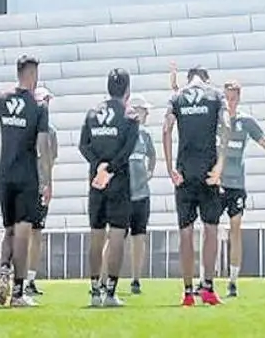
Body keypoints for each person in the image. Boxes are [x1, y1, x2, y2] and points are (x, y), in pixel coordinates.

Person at [0, 54, 50, 307]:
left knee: (9, 230)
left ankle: (4, 272)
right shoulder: (38, 106)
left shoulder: (1, 98)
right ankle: (18, 293)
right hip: (26, 174)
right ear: (32, 75)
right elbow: (42, 146)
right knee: (23, 232)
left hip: (4, 174)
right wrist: (46, 180)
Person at [162, 65, 230, 306]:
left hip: (185, 171)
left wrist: (170, 166)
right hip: (209, 171)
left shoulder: (177, 98)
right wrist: (221, 163)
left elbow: (166, 129)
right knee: (211, 228)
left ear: (188, 79)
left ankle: (188, 292)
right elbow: (226, 125)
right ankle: (208, 286)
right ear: (206, 78)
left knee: (186, 232)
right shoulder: (215, 95)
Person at [218, 80, 265, 298]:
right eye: (227, 98)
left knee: (235, 229)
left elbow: (264, 141)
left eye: (233, 98)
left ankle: (233, 280)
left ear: (239, 98)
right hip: (217, 182)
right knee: (209, 229)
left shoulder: (246, 121)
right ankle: (205, 280)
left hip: (236, 184)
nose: (230, 102)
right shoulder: (216, 119)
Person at [80, 69, 140, 307]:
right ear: (127, 90)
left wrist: (99, 167)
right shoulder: (130, 115)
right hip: (118, 181)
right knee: (116, 235)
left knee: (96, 234)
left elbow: (83, 145)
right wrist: (111, 169)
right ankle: (111, 292)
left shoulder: (92, 113)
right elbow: (128, 149)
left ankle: (94, 290)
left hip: (96, 182)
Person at [26, 86, 58, 297]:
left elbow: (51, 158)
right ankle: (22, 277)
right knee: (27, 232)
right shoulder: (31, 127)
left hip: (37, 185)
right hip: (30, 185)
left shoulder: (51, 131)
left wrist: (47, 181)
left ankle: (29, 278)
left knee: (35, 233)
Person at [125, 94, 156, 294]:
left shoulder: (145, 135)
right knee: (116, 236)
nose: (147, 114)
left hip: (141, 193)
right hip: (124, 194)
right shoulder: (124, 132)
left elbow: (152, 155)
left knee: (139, 236)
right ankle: (103, 278)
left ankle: (136, 278)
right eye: (144, 110)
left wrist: (150, 172)